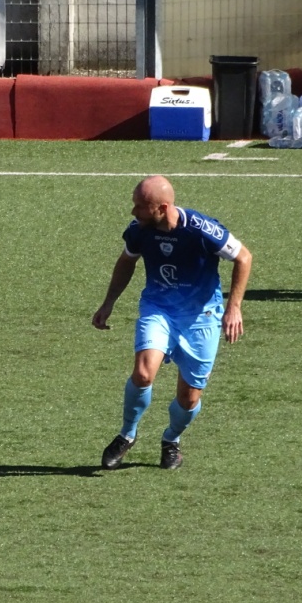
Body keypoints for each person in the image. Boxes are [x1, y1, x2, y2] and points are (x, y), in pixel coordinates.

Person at [91, 176, 252, 470]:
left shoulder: (202, 230)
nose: (133, 212)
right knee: (143, 374)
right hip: (159, 309)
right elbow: (127, 261)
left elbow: (244, 257)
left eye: (140, 206)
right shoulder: (139, 231)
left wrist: (234, 308)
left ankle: (171, 440)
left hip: (201, 318)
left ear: (162, 208)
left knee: (188, 399)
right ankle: (127, 435)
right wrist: (108, 302)